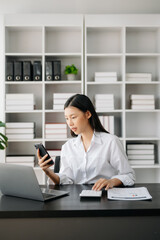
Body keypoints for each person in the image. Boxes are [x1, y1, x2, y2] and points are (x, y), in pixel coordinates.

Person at [37, 94, 135, 191]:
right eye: (67, 118)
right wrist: (48, 171)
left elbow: (128, 175)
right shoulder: (68, 147)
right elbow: (66, 180)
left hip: (104, 196)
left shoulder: (111, 141)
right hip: (76, 199)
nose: (70, 123)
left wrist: (111, 181)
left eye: (73, 117)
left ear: (88, 114)